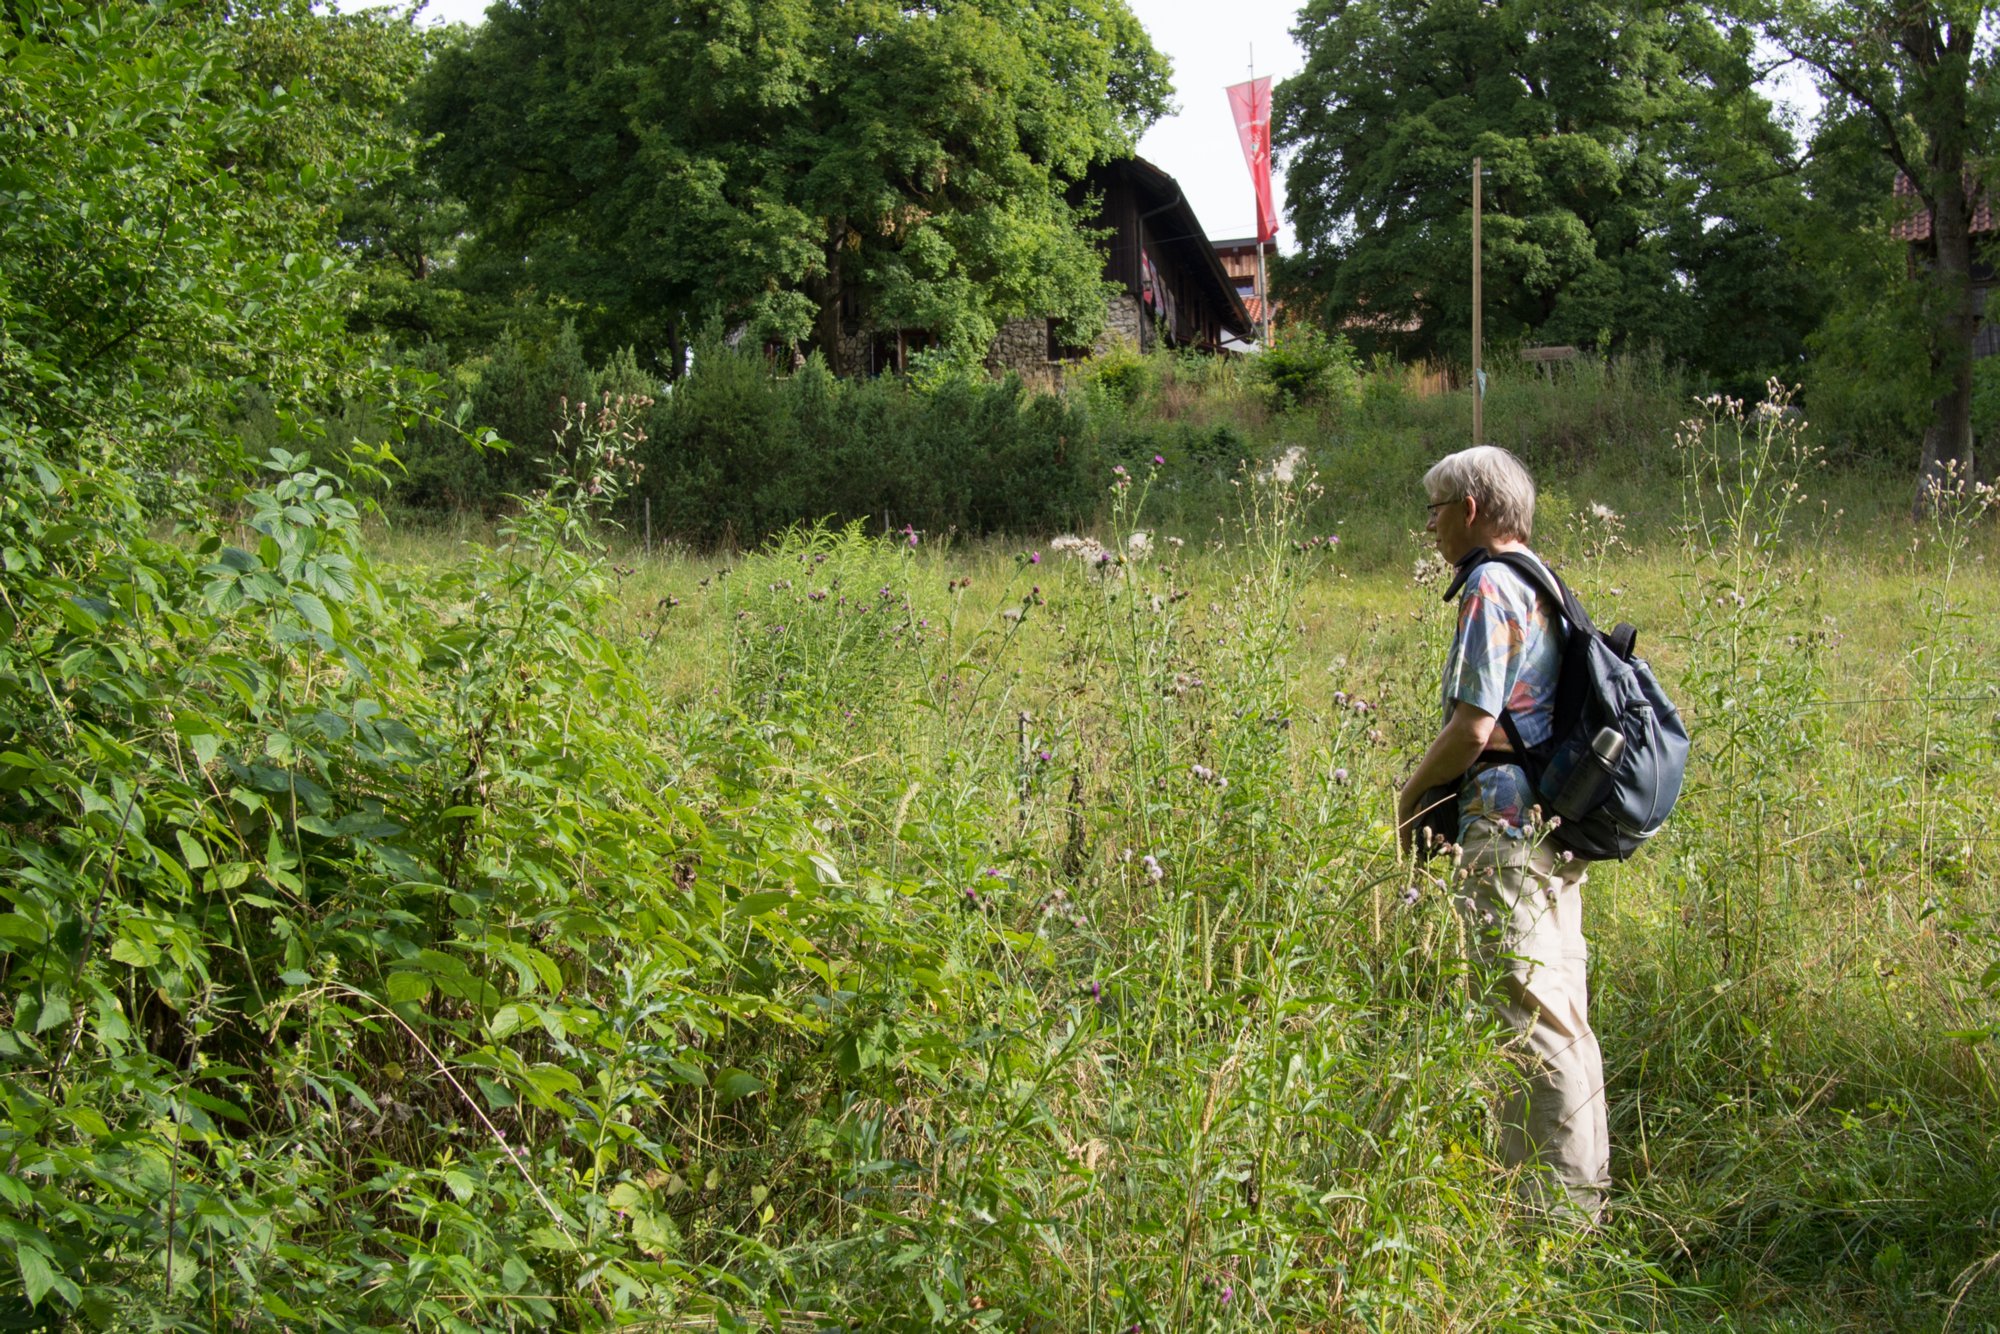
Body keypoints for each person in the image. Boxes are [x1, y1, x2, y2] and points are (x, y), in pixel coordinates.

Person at [1395, 445, 1609, 1225]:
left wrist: (1412, 790)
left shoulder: (1489, 582)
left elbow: (1474, 725)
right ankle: (1584, 1201)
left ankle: (1549, 1223)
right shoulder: (1544, 580)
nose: (1431, 527)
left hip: (1506, 828)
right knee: (1565, 1014)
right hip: (1558, 821)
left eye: (1437, 509)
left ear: (1472, 511)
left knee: (1527, 1018)